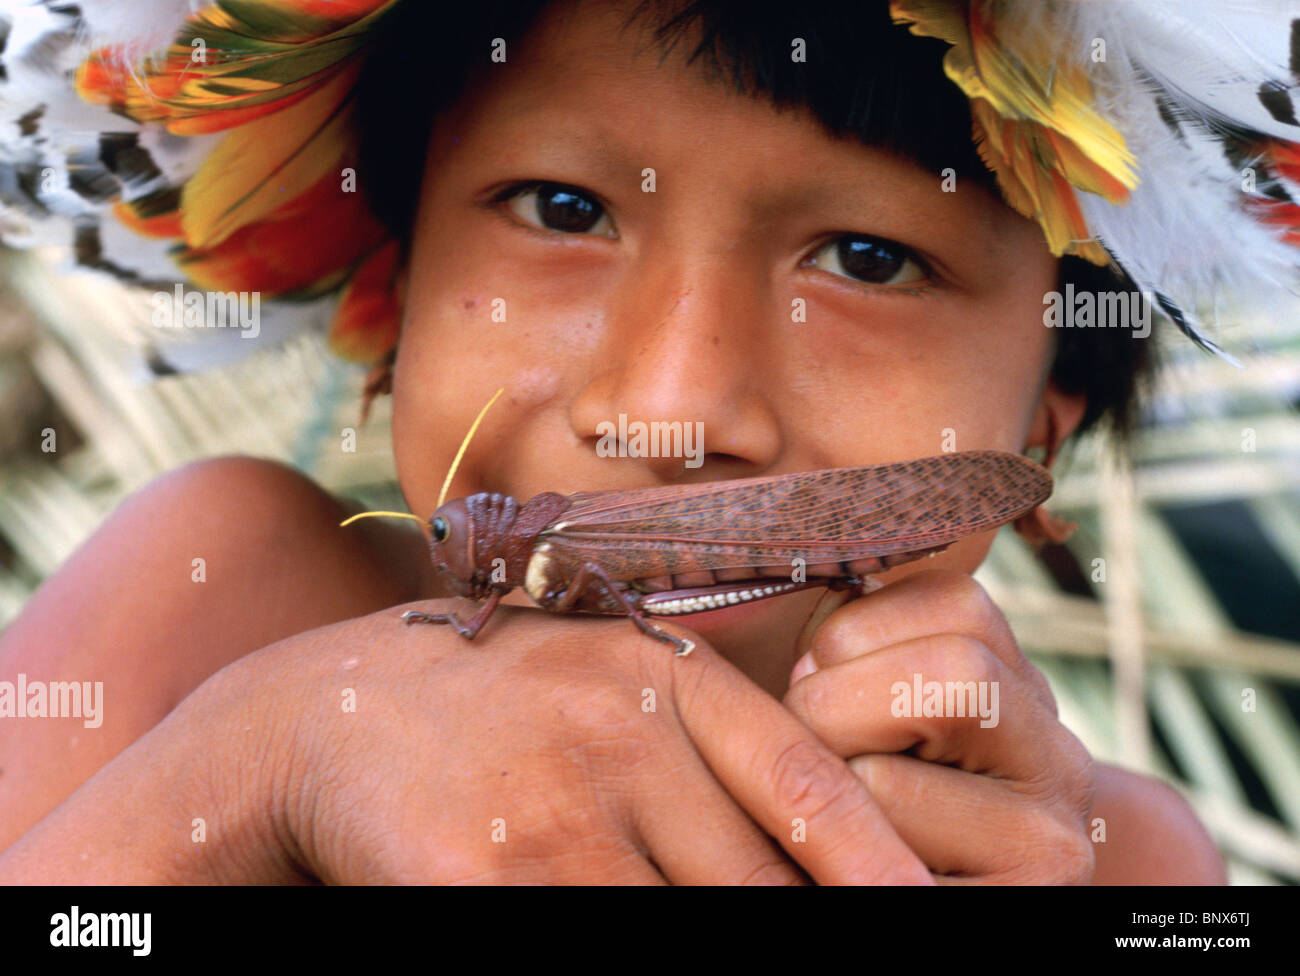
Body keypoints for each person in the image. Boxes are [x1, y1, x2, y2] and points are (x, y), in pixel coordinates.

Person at [7, 0, 1292, 883]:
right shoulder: (226, 583)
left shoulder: (1112, 855)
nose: (671, 409)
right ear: (393, 299)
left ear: (1037, 439)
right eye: (562, 209)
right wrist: (260, 770)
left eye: (866, 259)